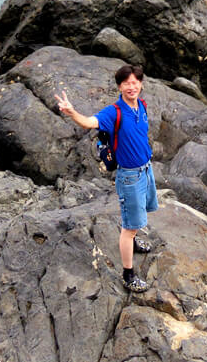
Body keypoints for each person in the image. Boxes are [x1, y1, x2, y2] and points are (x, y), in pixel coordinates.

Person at [55, 64, 157, 293]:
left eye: (135, 82)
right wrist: (72, 113)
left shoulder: (141, 105)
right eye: (126, 83)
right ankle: (128, 274)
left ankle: (132, 241)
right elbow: (90, 122)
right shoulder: (114, 111)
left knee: (138, 214)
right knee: (129, 227)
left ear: (140, 84)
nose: (132, 87)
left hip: (145, 170)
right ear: (119, 86)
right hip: (130, 176)